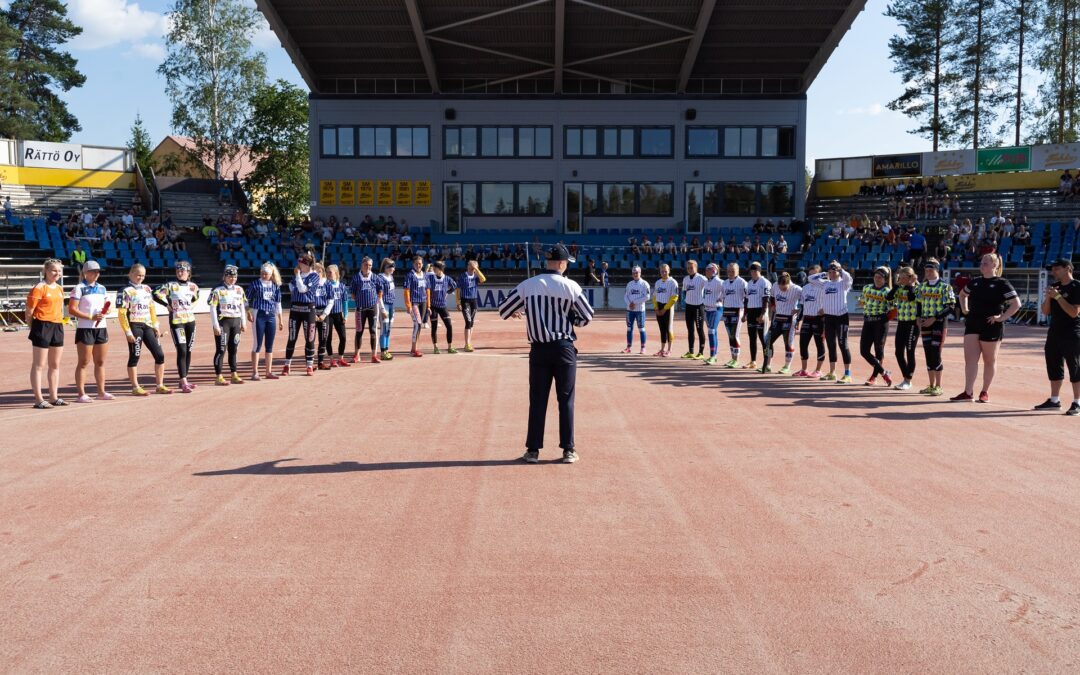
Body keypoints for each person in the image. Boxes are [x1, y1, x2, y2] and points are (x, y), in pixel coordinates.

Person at [498, 244, 593, 464]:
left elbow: (504, 309)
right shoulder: (570, 286)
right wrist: (571, 319)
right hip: (563, 348)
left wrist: (518, 313)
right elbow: (587, 316)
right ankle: (568, 449)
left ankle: (533, 450)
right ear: (561, 264)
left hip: (539, 350)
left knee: (538, 400)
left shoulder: (528, 285)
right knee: (566, 399)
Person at [953, 253, 1020, 402]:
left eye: (985, 263)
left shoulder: (1002, 283)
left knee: (989, 360)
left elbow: (1016, 304)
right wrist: (964, 310)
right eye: (981, 263)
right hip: (972, 323)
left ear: (995, 265)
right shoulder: (975, 282)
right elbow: (962, 295)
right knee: (970, 360)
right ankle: (967, 392)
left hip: (991, 325)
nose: (982, 265)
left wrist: (1001, 318)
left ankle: (984, 391)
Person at [1034, 259, 1080, 415]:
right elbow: (1046, 312)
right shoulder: (1055, 287)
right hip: (1054, 333)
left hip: (1072, 333)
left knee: (1075, 367)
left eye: (1056, 269)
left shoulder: (1077, 286)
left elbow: (1074, 313)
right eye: (1052, 269)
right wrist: (1049, 297)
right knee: (1054, 366)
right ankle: (1054, 400)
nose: (1053, 272)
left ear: (1068, 269)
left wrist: (1059, 297)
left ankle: (1077, 402)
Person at [116, 263, 169, 396]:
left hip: (148, 326)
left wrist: (156, 326)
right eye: (138, 275)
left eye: (143, 275)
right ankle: (135, 387)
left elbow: (151, 309)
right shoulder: (124, 290)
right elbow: (122, 313)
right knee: (135, 356)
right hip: (134, 326)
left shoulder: (147, 289)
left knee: (160, 355)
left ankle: (160, 385)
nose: (141, 277)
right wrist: (128, 332)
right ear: (131, 274)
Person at [68, 260, 113, 402]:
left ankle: (101, 392)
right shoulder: (79, 288)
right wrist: (90, 317)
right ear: (85, 273)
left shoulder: (102, 288)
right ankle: (81, 394)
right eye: (93, 271)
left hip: (101, 328)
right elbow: (72, 309)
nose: (96, 274)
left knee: (100, 362)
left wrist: (105, 311)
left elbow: (108, 306)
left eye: (98, 271)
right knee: (84, 362)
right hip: (85, 329)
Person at [26, 259, 67, 408]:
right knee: (39, 365)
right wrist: (33, 328)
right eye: (54, 270)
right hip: (42, 326)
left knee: (55, 364)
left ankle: (53, 397)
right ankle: (38, 399)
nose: (57, 273)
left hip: (57, 326)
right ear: (46, 271)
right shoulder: (39, 288)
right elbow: (29, 311)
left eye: (59, 270)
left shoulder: (59, 288)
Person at [154, 261, 200, 393]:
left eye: (183, 271)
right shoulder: (170, 286)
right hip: (177, 321)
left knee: (189, 350)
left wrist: (192, 307)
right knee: (182, 349)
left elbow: (196, 298)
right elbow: (155, 293)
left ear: (188, 272)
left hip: (190, 321)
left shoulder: (193, 286)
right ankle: (183, 380)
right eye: (178, 271)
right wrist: (166, 305)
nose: (180, 273)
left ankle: (184, 379)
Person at [914, 258, 956, 396]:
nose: (928, 273)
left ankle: (939, 386)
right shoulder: (922, 286)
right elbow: (919, 303)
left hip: (938, 323)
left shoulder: (945, 286)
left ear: (937, 270)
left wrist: (934, 318)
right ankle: (931, 385)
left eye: (931, 270)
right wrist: (918, 317)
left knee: (935, 352)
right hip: (925, 324)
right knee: (927, 352)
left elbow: (950, 306)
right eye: (926, 270)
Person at [806, 261, 854, 383]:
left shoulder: (843, 283)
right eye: (830, 272)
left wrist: (840, 268)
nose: (832, 274)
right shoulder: (825, 284)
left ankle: (847, 374)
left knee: (843, 345)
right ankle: (832, 372)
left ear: (839, 273)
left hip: (841, 317)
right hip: (829, 318)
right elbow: (810, 278)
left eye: (834, 272)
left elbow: (848, 277)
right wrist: (824, 273)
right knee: (831, 345)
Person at [207, 265, 247, 385]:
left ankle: (233, 373)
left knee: (233, 349)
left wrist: (243, 322)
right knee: (221, 349)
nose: (233, 279)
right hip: (223, 322)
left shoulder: (239, 289)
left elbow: (242, 307)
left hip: (236, 322)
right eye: (230, 276)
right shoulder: (217, 290)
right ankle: (218, 376)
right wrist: (215, 325)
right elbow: (212, 308)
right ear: (225, 276)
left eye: (235, 277)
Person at [282, 253, 319, 376]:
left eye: (301, 263)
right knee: (292, 337)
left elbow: (302, 289)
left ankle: (309, 365)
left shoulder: (314, 276)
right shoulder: (298, 276)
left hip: (308, 310)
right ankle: (287, 365)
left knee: (309, 338)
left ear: (306, 264)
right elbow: (291, 287)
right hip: (295, 309)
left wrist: (297, 276)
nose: (298, 265)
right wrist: (297, 281)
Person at [858, 266, 894, 387]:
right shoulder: (866, 288)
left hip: (881, 323)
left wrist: (884, 319)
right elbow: (861, 301)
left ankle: (874, 377)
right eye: (876, 276)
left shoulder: (888, 291)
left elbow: (894, 310)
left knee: (879, 350)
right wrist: (864, 305)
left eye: (880, 277)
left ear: (885, 279)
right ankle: (884, 372)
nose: (877, 279)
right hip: (868, 322)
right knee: (864, 351)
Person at [759, 272, 801, 374]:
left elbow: (808, 301)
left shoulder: (797, 289)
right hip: (777, 319)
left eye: (784, 288)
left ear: (789, 283)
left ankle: (787, 366)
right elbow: (772, 297)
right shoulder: (775, 286)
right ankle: (767, 364)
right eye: (780, 287)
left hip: (789, 320)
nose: (782, 289)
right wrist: (772, 305)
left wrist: (798, 310)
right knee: (767, 341)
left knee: (788, 343)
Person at [247, 262, 283, 381]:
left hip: (271, 315)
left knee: (269, 345)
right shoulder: (255, 284)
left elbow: (278, 303)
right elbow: (246, 299)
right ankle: (255, 372)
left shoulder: (275, 286)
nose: (263, 275)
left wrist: (280, 319)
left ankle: (268, 371)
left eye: (266, 273)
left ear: (271, 274)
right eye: (262, 273)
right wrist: (249, 311)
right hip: (259, 314)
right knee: (257, 344)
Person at [888, 266, 920, 391]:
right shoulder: (899, 289)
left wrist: (911, 285)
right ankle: (906, 377)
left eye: (903, 278)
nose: (901, 280)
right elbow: (889, 297)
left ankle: (908, 380)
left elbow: (912, 297)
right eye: (899, 278)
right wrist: (896, 285)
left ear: (910, 277)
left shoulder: (917, 288)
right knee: (898, 352)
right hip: (901, 323)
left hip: (912, 323)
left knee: (910, 351)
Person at [793, 264, 826, 378]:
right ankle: (804, 369)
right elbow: (802, 305)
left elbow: (831, 301)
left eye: (815, 275)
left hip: (819, 320)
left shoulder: (824, 286)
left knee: (819, 345)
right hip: (807, 319)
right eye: (810, 274)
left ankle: (818, 370)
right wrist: (798, 319)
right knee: (803, 344)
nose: (812, 277)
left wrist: (825, 310)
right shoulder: (805, 288)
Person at [350, 257, 381, 364]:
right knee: (359, 332)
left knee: (373, 331)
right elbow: (353, 294)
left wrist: (375, 301)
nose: (368, 267)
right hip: (360, 309)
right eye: (366, 265)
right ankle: (357, 355)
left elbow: (379, 291)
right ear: (361, 265)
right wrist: (361, 300)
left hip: (373, 308)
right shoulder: (355, 278)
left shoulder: (375, 277)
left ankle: (374, 355)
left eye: (370, 265)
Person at [743, 262, 772, 369]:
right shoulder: (749, 283)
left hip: (761, 312)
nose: (753, 273)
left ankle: (767, 363)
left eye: (755, 271)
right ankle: (753, 361)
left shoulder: (765, 282)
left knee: (763, 339)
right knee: (752, 338)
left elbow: (766, 299)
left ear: (759, 271)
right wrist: (745, 314)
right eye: (751, 271)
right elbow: (746, 300)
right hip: (751, 312)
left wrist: (763, 314)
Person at [426, 261, 458, 353]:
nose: (434, 269)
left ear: (440, 269)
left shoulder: (447, 279)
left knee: (449, 325)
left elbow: (454, 286)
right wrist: (426, 269)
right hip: (433, 306)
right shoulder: (430, 277)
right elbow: (422, 277)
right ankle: (435, 347)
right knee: (434, 326)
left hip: (442, 305)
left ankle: (450, 347)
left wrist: (447, 292)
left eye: (435, 267)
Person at [721, 263, 748, 368]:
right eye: (729, 271)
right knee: (730, 335)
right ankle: (732, 358)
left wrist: (745, 313)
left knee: (735, 334)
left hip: (737, 310)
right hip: (727, 311)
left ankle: (736, 359)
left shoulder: (742, 283)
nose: (730, 273)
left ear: (738, 271)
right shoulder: (725, 283)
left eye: (733, 271)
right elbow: (723, 297)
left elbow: (747, 298)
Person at [456, 260, 487, 352]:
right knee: (468, 321)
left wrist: (476, 269)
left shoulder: (476, 276)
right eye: (470, 264)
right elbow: (458, 289)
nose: (472, 266)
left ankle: (469, 342)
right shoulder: (462, 276)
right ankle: (467, 344)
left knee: (472, 322)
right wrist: (458, 302)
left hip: (474, 300)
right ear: (468, 266)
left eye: (474, 265)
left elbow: (483, 279)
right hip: (465, 300)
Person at [324, 264, 350, 367]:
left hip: (339, 314)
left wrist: (346, 315)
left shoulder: (341, 286)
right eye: (327, 272)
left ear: (336, 273)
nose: (328, 274)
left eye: (330, 272)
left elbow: (345, 301)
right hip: (328, 315)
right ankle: (331, 359)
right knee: (328, 338)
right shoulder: (325, 285)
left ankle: (341, 358)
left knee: (343, 337)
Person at [681, 261, 707, 359]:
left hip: (698, 307)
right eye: (688, 268)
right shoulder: (686, 279)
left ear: (696, 267)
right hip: (689, 307)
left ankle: (701, 352)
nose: (690, 269)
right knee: (690, 330)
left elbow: (710, 286)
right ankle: (691, 351)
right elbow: (684, 291)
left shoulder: (701, 278)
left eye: (691, 268)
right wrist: (684, 300)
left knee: (699, 329)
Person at [404, 255, 428, 357]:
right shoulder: (410, 275)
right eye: (416, 263)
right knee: (417, 324)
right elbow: (406, 290)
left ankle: (416, 347)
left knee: (419, 325)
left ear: (422, 264)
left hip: (423, 302)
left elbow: (428, 289)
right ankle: (413, 349)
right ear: (413, 264)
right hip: (414, 303)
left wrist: (429, 305)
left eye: (420, 263)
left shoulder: (424, 275)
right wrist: (408, 305)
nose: (418, 265)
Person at [622, 266, 651, 354]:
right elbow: (625, 295)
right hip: (630, 310)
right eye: (634, 273)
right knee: (629, 328)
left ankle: (643, 347)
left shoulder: (644, 284)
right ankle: (628, 347)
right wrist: (629, 303)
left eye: (637, 272)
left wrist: (634, 302)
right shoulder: (629, 284)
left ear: (640, 273)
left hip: (640, 310)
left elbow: (647, 296)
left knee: (641, 328)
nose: (635, 274)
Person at [652, 264, 679, 357]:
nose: (664, 273)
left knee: (668, 328)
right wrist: (656, 308)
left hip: (668, 308)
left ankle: (669, 349)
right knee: (662, 329)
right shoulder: (658, 282)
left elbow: (674, 297)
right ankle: (662, 349)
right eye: (662, 271)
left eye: (665, 271)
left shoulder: (673, 282)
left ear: (669, 271)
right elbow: (654, 296)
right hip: (659, 307)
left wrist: (665, 308)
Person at [700, 263, 724, 365]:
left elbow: (725, 290)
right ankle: (714, 355)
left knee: (711, 331)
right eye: (706, 269)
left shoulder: (719, 281)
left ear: (713, 271)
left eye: (708, 270)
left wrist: (721, 298)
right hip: (707, 309)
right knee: (713, 332)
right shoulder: (706, 282)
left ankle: (712, 356)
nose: (706, 271)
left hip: (716, 309)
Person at [313, 263, 333, 370]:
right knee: (310, 339)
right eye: (315, 271)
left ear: (322, 272)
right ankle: (310, 364)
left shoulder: (328, 284)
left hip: (324, 314)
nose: (317, 273)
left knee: (323, 339)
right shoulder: (310, 283)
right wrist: (313, 313)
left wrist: (324, 315)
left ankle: (320, 362)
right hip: (311, 313)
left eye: (319, 271)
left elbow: (331, 301)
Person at [376, 258, 397, 360]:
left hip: (391, 305)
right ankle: (383, 351)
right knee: (384, 328)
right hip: (385, 305)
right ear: (385, 267)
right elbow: (379, 296)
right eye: (390, 267)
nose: (393, 268)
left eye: (393, 267)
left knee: (389, 329)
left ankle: (387, 350)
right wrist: (383, 309)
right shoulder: (380, 278)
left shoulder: (391, 277)